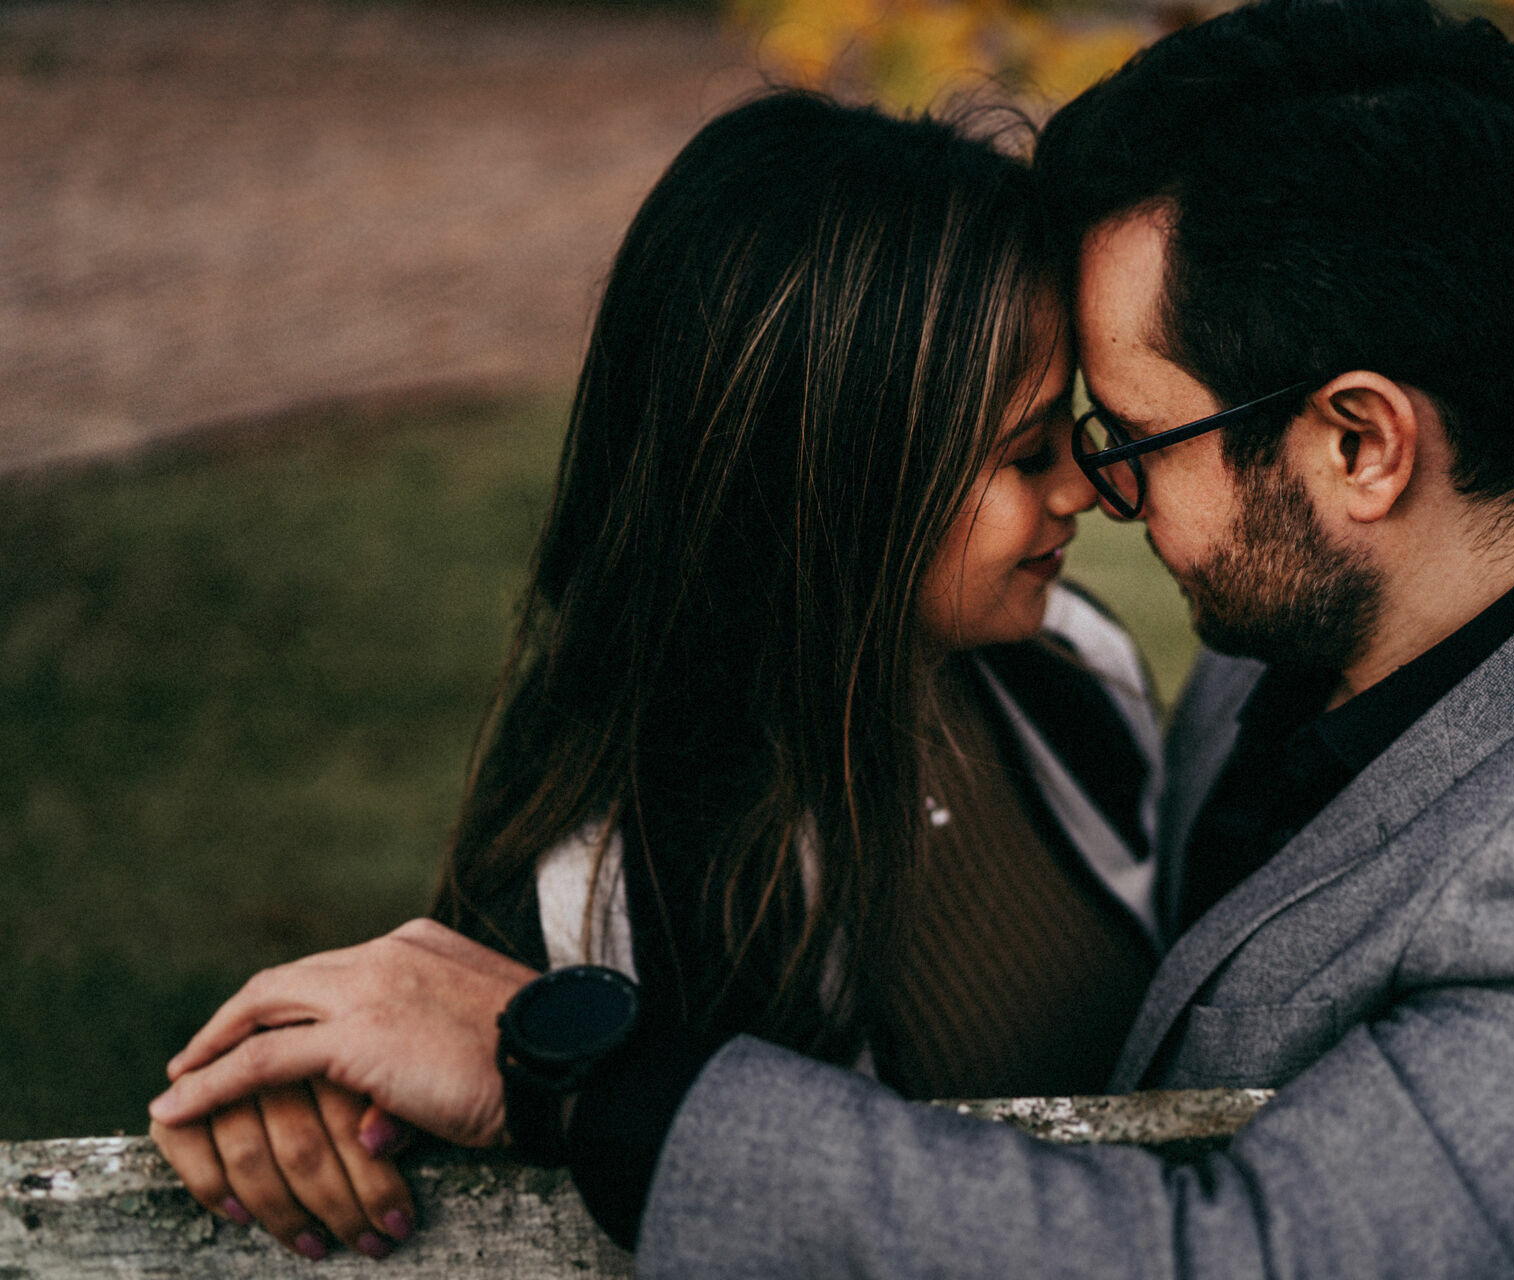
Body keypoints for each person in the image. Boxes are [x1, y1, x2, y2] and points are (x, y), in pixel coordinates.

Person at [151, 3, 1514, 1276]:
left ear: (1362, 446)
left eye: (1133, 437)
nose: (1106, 493)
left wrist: (596, 1079)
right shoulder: (1304, 629)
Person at [148, 90, 1166, 1261]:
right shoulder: (602, 900)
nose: (1080, 490)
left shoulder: (1074, 672)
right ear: (832, 476)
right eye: (1026, 451)